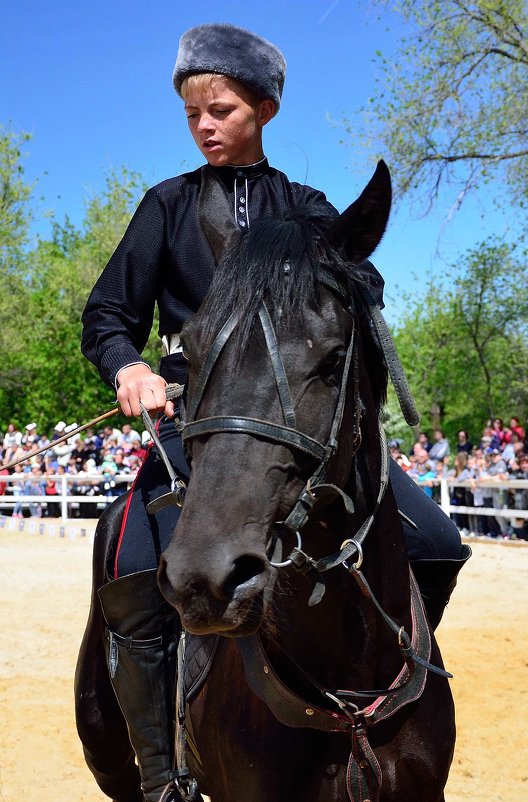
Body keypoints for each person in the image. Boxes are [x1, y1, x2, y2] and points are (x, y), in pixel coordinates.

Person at [80, 23, 469, 802]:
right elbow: (108, 314)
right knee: (129, 562)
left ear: (265, 108)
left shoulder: (309, 209)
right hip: (196, 428)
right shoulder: (167, 205)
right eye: (193, 114)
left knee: (436, 540)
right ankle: (163, 772)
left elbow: (352, 301)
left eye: (220, 109)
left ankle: (385, 686)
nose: (204, 126)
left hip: (295, 432)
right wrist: (128, 366)